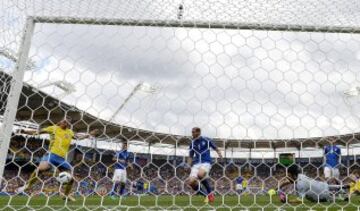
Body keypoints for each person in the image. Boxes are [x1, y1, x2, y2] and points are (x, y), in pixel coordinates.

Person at [16, 119, 99, 201]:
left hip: (62, 159)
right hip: (51, 154)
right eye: (64, 121)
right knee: (41, 168)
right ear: (60, 122)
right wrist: (24, 131)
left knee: (71, 179)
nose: (65, 122)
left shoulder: (70, 132)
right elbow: (38, 131)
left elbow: (78, 137)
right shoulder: (53, 128)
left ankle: (66, 195)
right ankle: (27, 186)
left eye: (67, 122)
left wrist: (89, 134)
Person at [187, 127, 222, 203]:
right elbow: (190, 156)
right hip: (196, 164)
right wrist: (188, 165)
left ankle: (210, 194)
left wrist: (220, 156)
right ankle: (205, 195)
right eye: (192, 132)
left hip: (206, 162)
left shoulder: (207, 139)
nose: (192, 133)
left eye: (193, 132)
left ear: (198, 132)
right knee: (191, 182)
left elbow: (216, 148)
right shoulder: (192, 143)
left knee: (200, 174)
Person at [278, 165, 348, 203]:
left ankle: (342, 195)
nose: (287, 177)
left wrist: (288, 201)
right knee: (330, 187)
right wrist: (280, 186)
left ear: (294, 175)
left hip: (321, 196)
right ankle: (343, 187)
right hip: (322, 185)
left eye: (289, 175)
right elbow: (291, 181)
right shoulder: (300, 176)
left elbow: (299, 200)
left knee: (333, 199)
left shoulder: (301, 184)